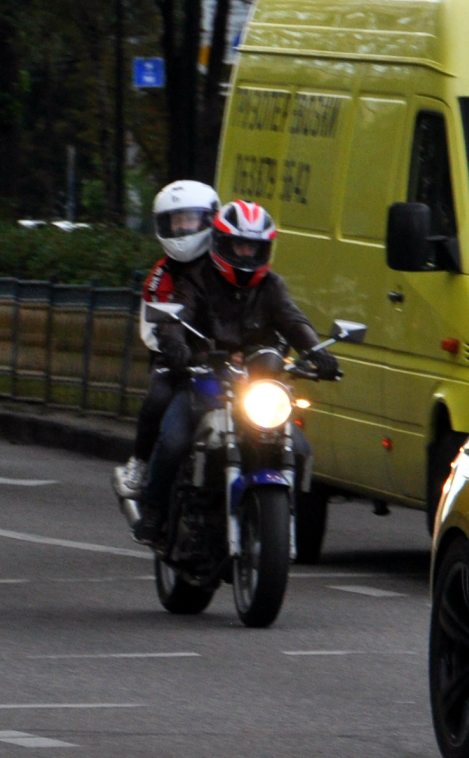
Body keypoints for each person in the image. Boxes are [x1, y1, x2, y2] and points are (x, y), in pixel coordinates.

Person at [138, 200, 337, 543]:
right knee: (173, 441)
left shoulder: (271, 285)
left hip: (255, 384)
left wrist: (317, 353)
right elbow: (176, 318)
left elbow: (293, 319)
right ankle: (153, 511)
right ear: (221, 243)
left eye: (254, 247)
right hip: (203, 379)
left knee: (300, 448)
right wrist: (179, 348)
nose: (246, 254)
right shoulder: (197, 279)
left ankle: (284, 526)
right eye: (239, 245)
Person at [112, 179, 219, 504]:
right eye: (177, 221)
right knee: (157, 399)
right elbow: (152, 327)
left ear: (209, 220)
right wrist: (177, 353)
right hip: (176, 363)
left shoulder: (225, 268)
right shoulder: (161, 275)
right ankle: (140, 463)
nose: (184, 227)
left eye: (191, 219)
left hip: (224, 360)